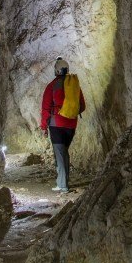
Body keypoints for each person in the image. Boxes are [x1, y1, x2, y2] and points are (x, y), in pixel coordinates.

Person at [40, 57, 85, 192]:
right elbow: (82, 106)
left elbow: (45, 109)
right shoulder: (74, 86)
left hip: (56, 124)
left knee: (59, 154)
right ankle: (63, 182)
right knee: (64, 152)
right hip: (71, 125)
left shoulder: (52, 86)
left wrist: (43, 127)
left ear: (56, 70)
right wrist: (70, 114)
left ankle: (62, 185)